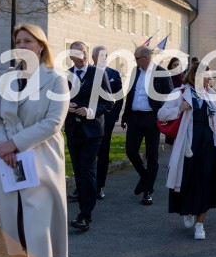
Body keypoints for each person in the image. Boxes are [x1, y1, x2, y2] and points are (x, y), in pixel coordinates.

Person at [0, 23, 70, 257]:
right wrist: (3, 146)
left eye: (27, 41)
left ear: (41, 46)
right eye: (17, 41)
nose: (21, 45)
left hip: (41, 160)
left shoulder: (56, 80)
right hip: (7, 163)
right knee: (14, 227)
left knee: (35, 227)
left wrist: (16, 144)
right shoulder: (6, 78)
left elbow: (53, 122)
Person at [159, 61, 216, 240]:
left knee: (207, 182)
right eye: (206, 75)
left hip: (209, 144)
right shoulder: (179, 93)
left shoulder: (212, 95)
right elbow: (161, 114)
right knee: (187, 181)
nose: (209, 79)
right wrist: (179, 109)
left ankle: (200, 224)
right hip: (189, 146)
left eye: (209, 76)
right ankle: (188, 210)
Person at [66, 41, 113, 231]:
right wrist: (65, 107)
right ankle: (83, 206)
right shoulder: (65, 76)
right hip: (73, 130)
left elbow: (109, 103)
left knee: (87, 169)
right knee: (78, 171)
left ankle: (85, 214)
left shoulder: (99, 74)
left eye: (84, 52)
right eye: (77, 53)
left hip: (92, 130)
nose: (82, 56)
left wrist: (91, 111)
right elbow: (57, 100)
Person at [121, 46, 174, 205]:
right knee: (131, 150)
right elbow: (130, 95)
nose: (134, 61)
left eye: (136, 58)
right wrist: (125, 117)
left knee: (152, 155)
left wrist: (163, 114)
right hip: (135, 118)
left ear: (146, 58)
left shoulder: (162, 73)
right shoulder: (135, 72)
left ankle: (147, 191)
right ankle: (145, 177)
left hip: (152, 118)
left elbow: (170, 96)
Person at [93, 45, 123, 200]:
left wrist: (114, 116)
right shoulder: (88, 73)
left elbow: (118, 97)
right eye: (98, 56)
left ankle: (99, 186)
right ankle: (84, 186)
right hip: (90, 120)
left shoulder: (113, 74)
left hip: (107, 120)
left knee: (103, 153)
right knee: (88, 155)